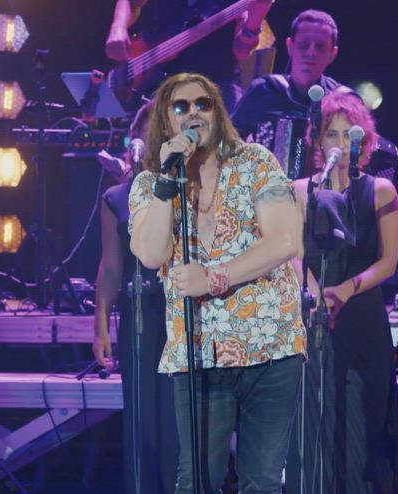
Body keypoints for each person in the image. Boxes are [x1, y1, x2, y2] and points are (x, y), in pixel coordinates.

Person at [128, 72, 306, 493]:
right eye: (181, 107)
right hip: (199, 352)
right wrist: (168, 180)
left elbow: (286, 241)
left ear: (217, 112)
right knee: (197, 482)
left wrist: (212, 278)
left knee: (262, 483)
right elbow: (151, 254)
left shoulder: (256, 162)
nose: (193, 113)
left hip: (271, 347)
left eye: (203, 104)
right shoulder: (151, 185)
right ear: (165, 120)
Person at [285, 90, 398, 492]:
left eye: (348, 135)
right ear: (317, 140)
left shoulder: (381, 190)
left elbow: (389, 261)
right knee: (314, 420)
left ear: (363, 140)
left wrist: (347, 289)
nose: (339, 143)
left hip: (362, 313)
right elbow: (291, 252)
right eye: (331, 134)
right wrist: (315, 292)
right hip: (312, 314)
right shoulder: (300, 190)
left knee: (360, 425)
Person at [91, 101, 178, 494]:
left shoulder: (190, 193)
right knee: (141, 426)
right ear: (135, 141)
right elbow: (111, 267)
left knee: (177, 427)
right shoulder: (117, 197)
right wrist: (100, 324)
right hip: (138, 315)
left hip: (182, 318)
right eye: (147, 132)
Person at [105, 0, 274, 110]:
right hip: (161, 82)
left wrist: (254, 22)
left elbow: (242, 51)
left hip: (218, 86)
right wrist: (118, 27)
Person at [232, 9, 343, 146]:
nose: (311, 53)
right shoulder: (262, 90)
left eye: (321, 47)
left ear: (332, 54)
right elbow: (228, 142)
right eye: (304, 44)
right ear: (290, 46)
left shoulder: (342, 102)